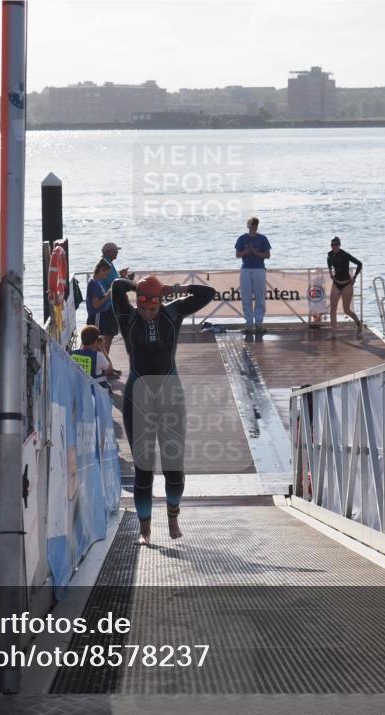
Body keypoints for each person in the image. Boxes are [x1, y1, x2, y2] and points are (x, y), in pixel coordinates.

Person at [111, 275, 217, 545]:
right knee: (143, 470)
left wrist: (174, 289)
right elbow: (117, 287)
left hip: (170, 395)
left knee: (173, 467)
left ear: (160, 303)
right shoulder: (128, 316)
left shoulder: (172, 313)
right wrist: (140, 288)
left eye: (152, 308)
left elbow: (207, 293)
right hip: (138, 397)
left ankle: (172, 518)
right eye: (144, 308)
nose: (147, 314)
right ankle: (144, 529)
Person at [234, 217, 271, 333]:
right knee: (246, 297)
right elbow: (237, 254)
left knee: (260, 296)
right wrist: (246, 252)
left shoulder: (263, 238)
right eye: (252, 225)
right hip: (246, 269)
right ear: (248, 226)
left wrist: (255, 252)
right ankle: (249, 323)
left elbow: (267, 255)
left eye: (256, 225)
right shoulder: (242, 238)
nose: (254, 227)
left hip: (259, 269)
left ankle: (259, 323)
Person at [326, 236, 364, 339]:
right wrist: (330, 271)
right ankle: (333, 333)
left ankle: (359, 324)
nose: (334, 247)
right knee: (332, 309)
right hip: (336, 283)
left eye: (336, 245)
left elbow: (359, 264)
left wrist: (355, 277)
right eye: (332, 245)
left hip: (347, 284)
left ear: (339, 245)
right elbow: (329, 261)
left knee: (346, 310)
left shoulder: (345, 255)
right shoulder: (330, 254)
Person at [86, 259, 120, 367]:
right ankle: (99, 366)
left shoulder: (97, 282)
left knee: (100, 341)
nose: (106, 276)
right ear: (100, 270)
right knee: (95, 341)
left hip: (101, 315)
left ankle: (103, 365)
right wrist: (108, 295)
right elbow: (96, 304)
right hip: (96, 315)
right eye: (105, 273)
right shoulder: (94, 284)